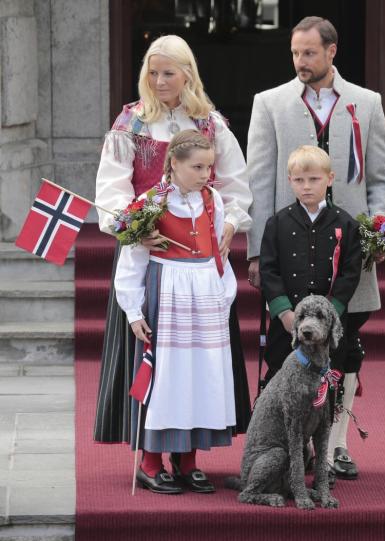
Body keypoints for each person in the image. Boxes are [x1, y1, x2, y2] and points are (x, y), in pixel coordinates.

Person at [245, 16, 385, 483]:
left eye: (309, 53)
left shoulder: (366, 103)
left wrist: (378, 234)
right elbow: (259, 179)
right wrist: (255, 252)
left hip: (348, 254)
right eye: (295, 53)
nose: (300, 61)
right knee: (286, 357)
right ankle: (292, 450)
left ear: (332, 51)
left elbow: (381, 179)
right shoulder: (269, 103)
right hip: (290, 252)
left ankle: (337, 446)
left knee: (346, 351)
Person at [94, 35, 252, 444]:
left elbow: (236, 185)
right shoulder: (131, 123)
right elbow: (111, 191)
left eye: (168, 72)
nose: (160, 80)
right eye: (153, 71)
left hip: (199, 260)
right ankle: (148, 444)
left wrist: (230, 224)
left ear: (187, 75)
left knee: (199, 359)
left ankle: (193, 442)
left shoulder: (210, 125)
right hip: (149, 258)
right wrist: (134, 228)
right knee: (154, 353)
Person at [115, 130, 236, 494]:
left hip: (205, 296)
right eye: (197, 167)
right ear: (174, 164)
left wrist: (223, 293)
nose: (205, 174)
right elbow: (132, 260)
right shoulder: (152, 202)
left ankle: (188, 459)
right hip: (168, 292)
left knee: (201, 374)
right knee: (168, 377)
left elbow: (218, 250)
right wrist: (134, 311)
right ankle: (150, 462)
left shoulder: (212, 199)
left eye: (209, 167)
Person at [259, 145, 362, 383]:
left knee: (327, 379)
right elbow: (269, 269)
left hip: (329, 321)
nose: (306, 186)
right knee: (281, 376)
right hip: (288, 321)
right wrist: (285, 313)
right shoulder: (277, 223)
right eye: (299, 180)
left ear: (329, 179)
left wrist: (332, 311)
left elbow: (350, 272)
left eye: (314, 179)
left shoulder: (346, 224)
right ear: (289, 181)